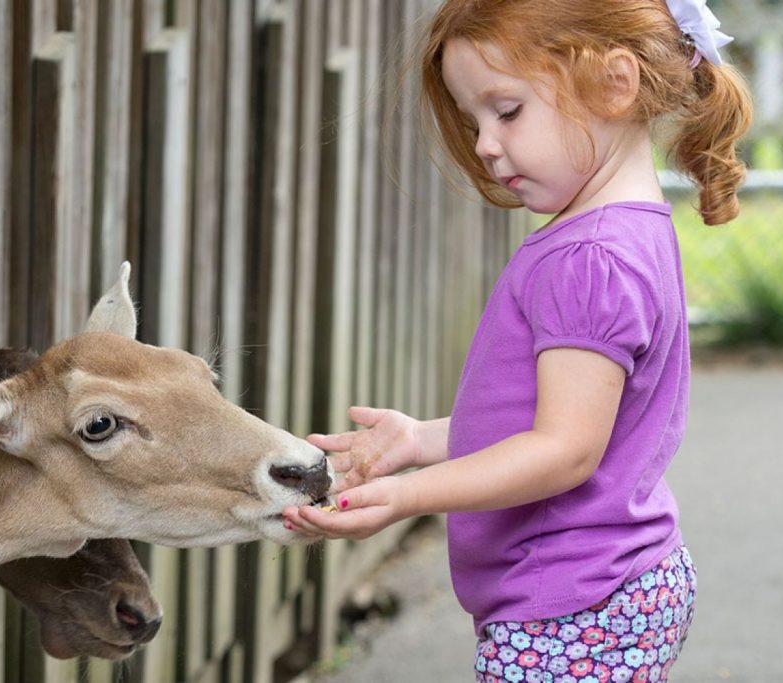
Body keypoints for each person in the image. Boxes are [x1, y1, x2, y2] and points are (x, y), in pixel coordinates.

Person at [283, 0, 752, 680]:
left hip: (571, 605)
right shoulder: (629, 231)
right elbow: (551, 419)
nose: (484, 143)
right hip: (611, 584)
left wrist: (413, 494)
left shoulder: (589, 258)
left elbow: (563, 450)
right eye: (474, 121)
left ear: (614, 85)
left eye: (507, 111)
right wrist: (418, 440)